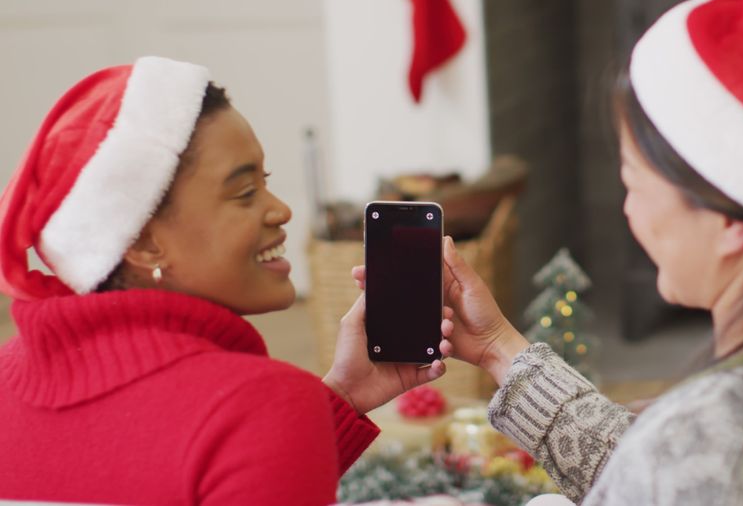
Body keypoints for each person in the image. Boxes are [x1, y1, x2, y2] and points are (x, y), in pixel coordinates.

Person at [430, 0, 743, 505]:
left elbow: (672, 466)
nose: (628, 211)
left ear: (730, 223)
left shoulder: (701, 445)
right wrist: (498, 348)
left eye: (634, 183)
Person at [0, 57, 453, 505]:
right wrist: (286, 416)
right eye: (244, 193)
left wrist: (335, 403)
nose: (281, 210)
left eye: (267, 181)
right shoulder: (258, 406)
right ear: (142, 242)